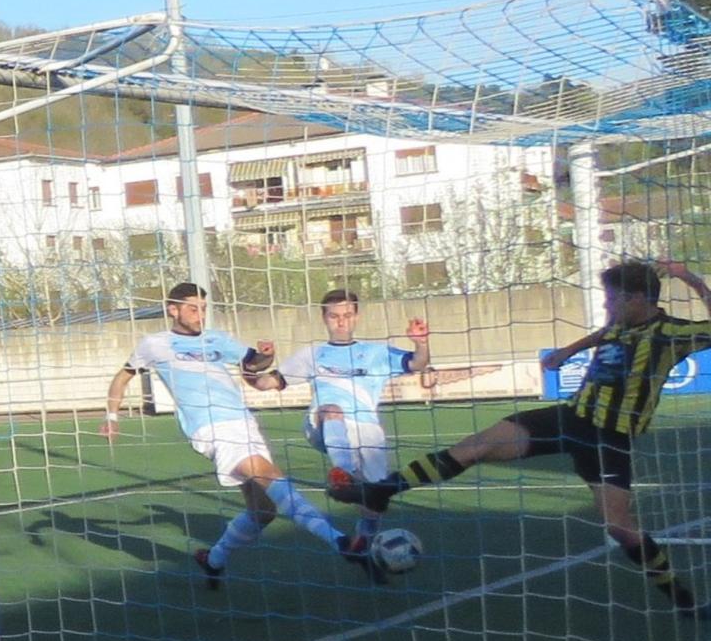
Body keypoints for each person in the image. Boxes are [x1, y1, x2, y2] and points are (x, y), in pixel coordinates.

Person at [328, 262, 711, 616]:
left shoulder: (671, 333)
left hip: (608, 439)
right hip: (569, 417)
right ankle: (380, 491)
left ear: (638, 299)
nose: (608, 304)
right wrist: (567, 351)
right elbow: (604, 333)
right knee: (475, 446)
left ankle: (680, 596)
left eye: (613, 298)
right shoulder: (620, 324)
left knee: (618, 526)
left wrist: (689, 278)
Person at [100, 282, 381, 589]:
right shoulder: (154, 344)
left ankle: (213, 559)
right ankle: (343, 543)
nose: (200, 315)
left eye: (204, 308)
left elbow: (253, 364)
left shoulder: (218, 339)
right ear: (173, 309)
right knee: (272, 476)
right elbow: (121, 378)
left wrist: (264, 356)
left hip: (244, 423)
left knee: (263, 511)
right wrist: (112, 417)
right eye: (193, 308)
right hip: (211, 428)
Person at [248, 289, 429, 559]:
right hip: (323, 423)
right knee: (332, 409)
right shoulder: (312, 354)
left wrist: (421, 343)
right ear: (324, 318)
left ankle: (363, 543)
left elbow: (416, 364)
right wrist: (255, 364)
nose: (341, 322)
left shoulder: (376, 352)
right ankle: (341, 474)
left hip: (368, 432)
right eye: (334, 316)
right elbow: (265, 384)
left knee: (376, 500)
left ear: (356, 317)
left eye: (347, 315)